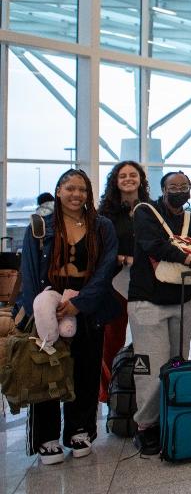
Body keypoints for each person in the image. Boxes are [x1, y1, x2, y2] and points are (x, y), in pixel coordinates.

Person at [16, 169, 119, 464]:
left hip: (89, 306)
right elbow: (31, 271)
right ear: (59, 191)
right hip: (47, 305)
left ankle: (80, 429)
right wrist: (46, 305)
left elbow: (106, 268)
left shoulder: (102, 227)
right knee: (46, 369)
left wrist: (81, 303)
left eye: (83, 190)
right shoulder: (40, 226)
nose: (77, 195)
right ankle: (46, 437)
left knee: (85, 370)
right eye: (70, 188)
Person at [129, 171, 191, 455]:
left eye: (184, 186)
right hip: (147, 301)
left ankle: (172, 414)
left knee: (177, 362)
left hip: (181, 298)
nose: (179, 190)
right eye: (173, 186)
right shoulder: (146, 212)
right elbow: (154, 245)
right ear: (163, 189)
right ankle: (145, 426)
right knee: (152, 367)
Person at [97, 161, 151, 403]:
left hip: (146, 282)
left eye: (133, 175)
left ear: (140, 179)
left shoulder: (151, 209)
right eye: (123, 176)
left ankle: (145, 387)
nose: (128, 179)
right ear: (115, 181)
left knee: (147, 337)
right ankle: (110, 393)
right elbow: (100, 248)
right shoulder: (105, 213)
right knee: (112, 338)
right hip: (115, 282)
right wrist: (123, 258)